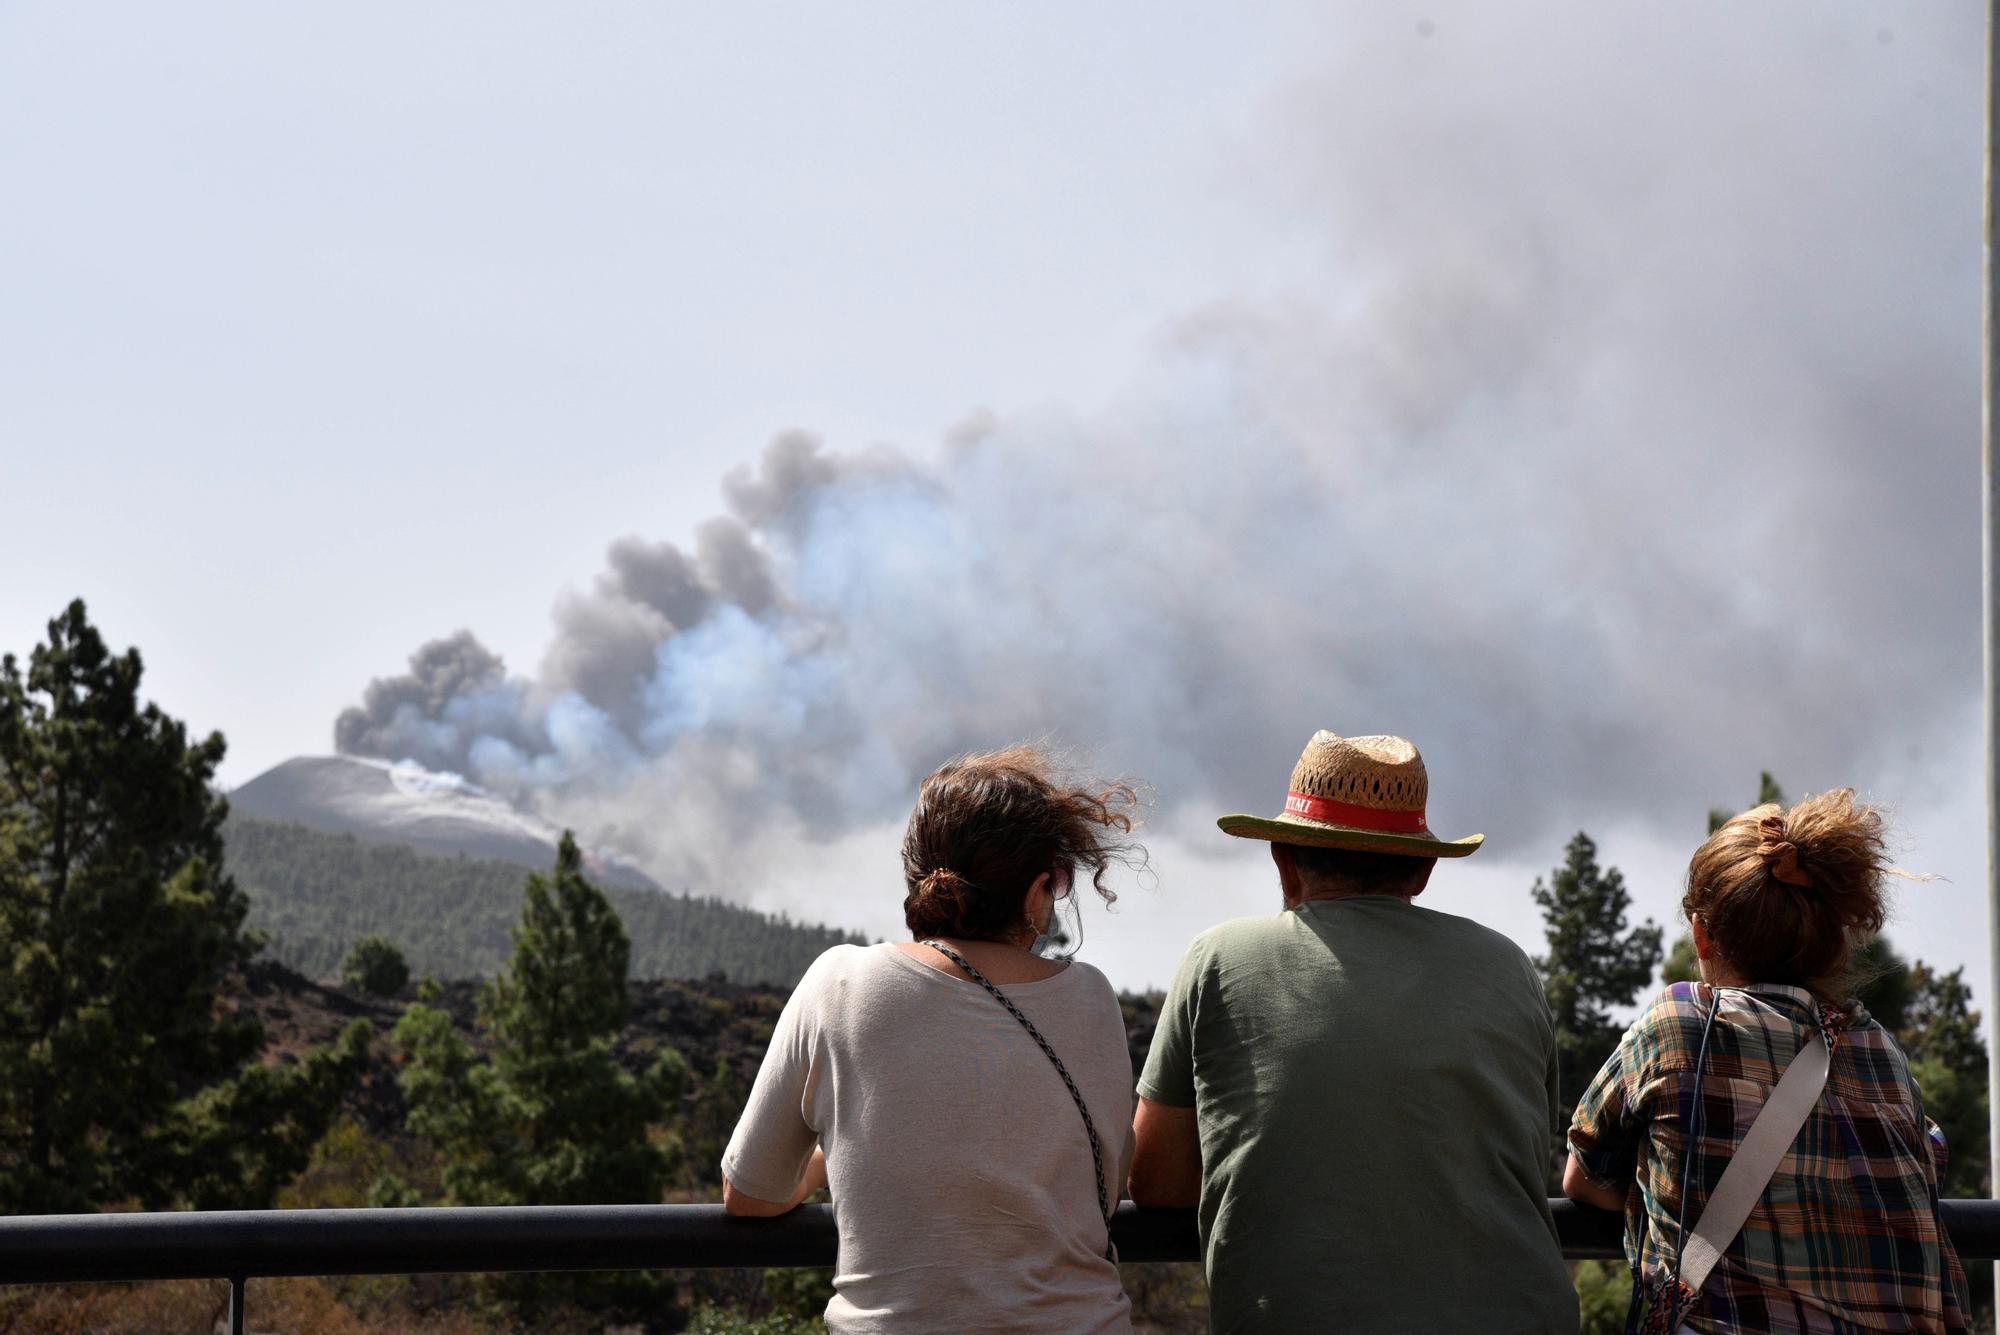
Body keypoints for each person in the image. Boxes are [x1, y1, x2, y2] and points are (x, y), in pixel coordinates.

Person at [1130, 729, 1577, 1335]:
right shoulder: (1506, 964)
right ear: (1422, 871)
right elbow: (1528, 1145)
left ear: (1283, 860)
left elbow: (1156, 1182)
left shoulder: (1217, 960)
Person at [721, 745, 1142, 1334]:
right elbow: (1106, 1181)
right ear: (1035, 890)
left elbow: (750, 1192)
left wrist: (825, 1162)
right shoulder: (1093, 999)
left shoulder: (840, 981)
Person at [1565, 790, 1970, 1334]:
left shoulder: (1679, 1023)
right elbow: (1924, 1167)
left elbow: (1584, 1177)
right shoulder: (1880, 1051)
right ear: (1830, 938)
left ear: (1701, 933)